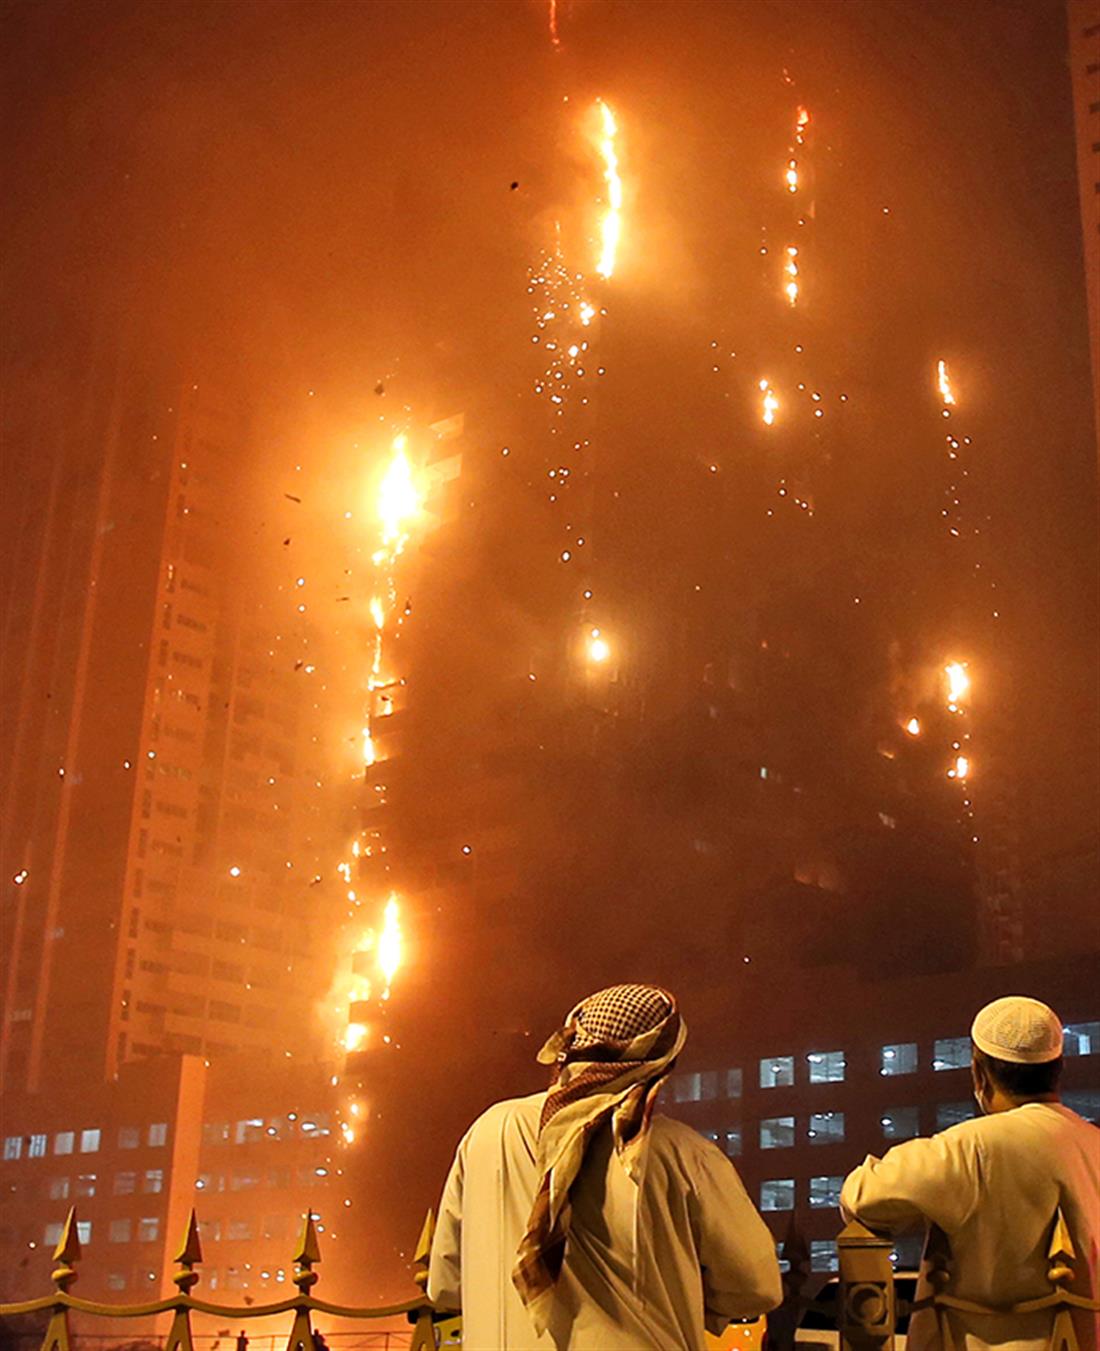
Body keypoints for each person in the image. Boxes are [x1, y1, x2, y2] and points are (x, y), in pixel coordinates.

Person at [428, 983, 782, 1350]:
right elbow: (755, 1288)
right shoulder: (687, 1156)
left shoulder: (488, 1132)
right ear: (660, 1064)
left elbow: (446, 1284)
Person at [841, 995, 1100, 1351]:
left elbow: (862, 1196)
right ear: (1058, 1068)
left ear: (980, 1073)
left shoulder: (971, 1147)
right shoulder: (1094, 1142)